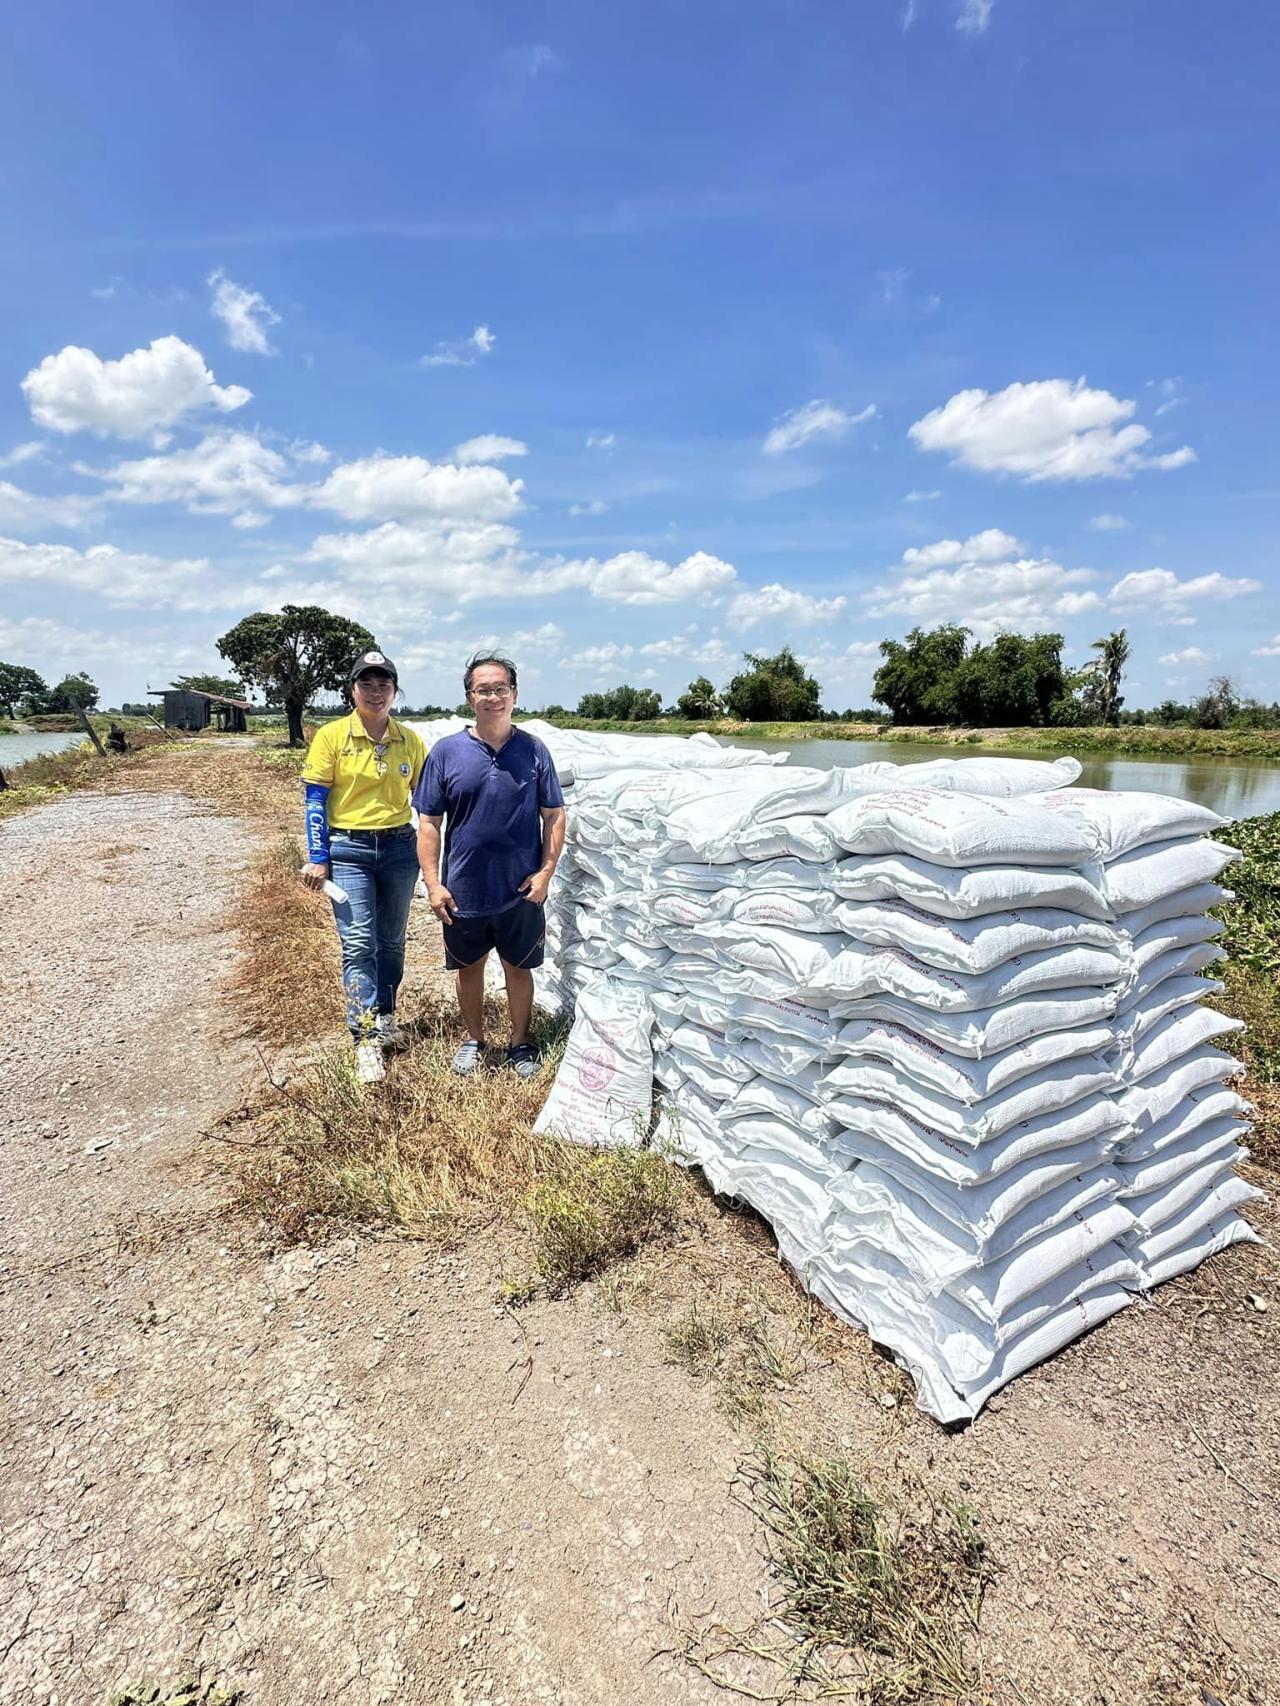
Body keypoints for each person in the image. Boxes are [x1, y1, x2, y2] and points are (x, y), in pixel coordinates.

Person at [414, 651, 566, 1079]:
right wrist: (433, 883)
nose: (493, 697)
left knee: (519, 967)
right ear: (470, 697)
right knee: (469, 967)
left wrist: (546, 872)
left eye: (501, 688)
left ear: (514, 695)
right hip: (464, 888)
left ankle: (520, 1043)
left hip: (521, 887)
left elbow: (554, 815)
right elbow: (429, 822)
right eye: (484, 689)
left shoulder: (534, 751)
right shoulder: (446, 753)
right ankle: (474, 1039)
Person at [301, 650, 426, 1084]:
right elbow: (315, 797)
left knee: (391, 942)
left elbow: (427, 801)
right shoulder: (333, 737)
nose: (376, 692)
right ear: (352, 690)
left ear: (395, 691)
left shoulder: (408, 739)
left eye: (384, 684)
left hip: (399, 850)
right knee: (358, 943)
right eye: (366, 684)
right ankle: (366, 1035)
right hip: (348, 850)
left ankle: (386, 1015)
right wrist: (318, 857)